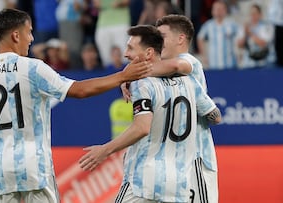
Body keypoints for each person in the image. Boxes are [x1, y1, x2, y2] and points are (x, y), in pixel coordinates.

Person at [0, 8, 151, 203]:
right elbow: (80, 90)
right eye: (29, 31)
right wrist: (123, 76)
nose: (31, 38)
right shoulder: (33, 68)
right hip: (35, 169)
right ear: (16, 35)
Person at [79, 24, 221, 202]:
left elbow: (142, 127)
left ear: (148, 54)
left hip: (144, 181)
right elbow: (215, 116)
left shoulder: (143, 83)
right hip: (179, 184)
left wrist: (104, 150)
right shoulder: (190, 83)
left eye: (130, 48)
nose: (125, 54)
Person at [121, 14, 220, 203]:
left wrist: (129, 75)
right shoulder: (160, 72)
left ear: (181, 39)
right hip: (175, 164)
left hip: (196, 158)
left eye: (163, 36)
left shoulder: (189, 61)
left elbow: (175, 65)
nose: (159, 41)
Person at [197, 0, 240, 69]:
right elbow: (200, 38)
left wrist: (239, 52)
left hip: (230, 64)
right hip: (214, 64)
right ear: (212, 11)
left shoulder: (232, 24)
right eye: (217, 9)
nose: (219, 11)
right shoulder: (208, 25)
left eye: (221, 9)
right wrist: (204, 55)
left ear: (225, 10)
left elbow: (240, 37)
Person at [236, 3, 276, 69]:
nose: (253, 15)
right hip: (249, 63)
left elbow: (263, 43)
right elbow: (240, 45)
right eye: (251, 13)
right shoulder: (245, 26)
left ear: (260, 14)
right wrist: (245, 34)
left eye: (255, 13)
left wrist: (249, 33)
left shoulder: (266, 26)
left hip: (264, 63)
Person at [267, 0, 283, 67]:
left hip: (278, 21)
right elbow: (273, 8)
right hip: (278, 22)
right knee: (278, 44)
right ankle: (279, 61)